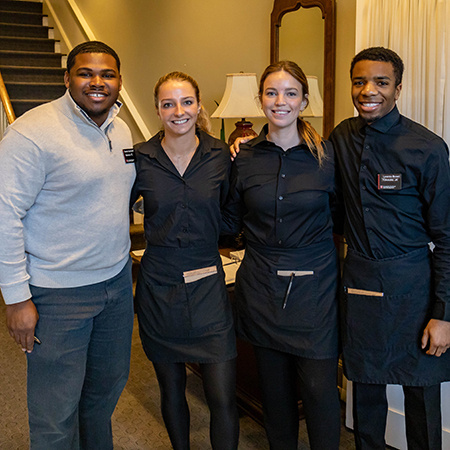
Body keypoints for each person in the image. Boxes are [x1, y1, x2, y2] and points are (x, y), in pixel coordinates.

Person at [0, 41, 135, 449]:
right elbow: (4, 216)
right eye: (86, 73)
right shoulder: (31, 133)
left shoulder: (121, 126)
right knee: (55, 413)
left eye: (107, 74)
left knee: (103, 395)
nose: (97, 82)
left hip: (115, 284)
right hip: (57, 295)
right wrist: (16, 298)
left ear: (119, 81)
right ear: (67, 78)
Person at [329, 47, 450, 449]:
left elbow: (448, 237)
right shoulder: (341, 137)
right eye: (360, 81)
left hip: (413, 287)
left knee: (421, 394)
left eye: (381, 82)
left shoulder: (428, 148)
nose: (369, 91)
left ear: (398, 88)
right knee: (365, 393)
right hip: (361, 283)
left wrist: (443, 315)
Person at [223, 61, 342, 450]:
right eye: (272, 92)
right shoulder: (243, 158)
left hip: (316, 293)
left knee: (321, 394)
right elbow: (230, 222)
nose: (280, 101)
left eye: (291, 93)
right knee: (274, 399)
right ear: (261, 100)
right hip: (262, 290)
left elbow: (341, 218)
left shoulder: (328, 158)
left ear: (304, 101)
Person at [131, 72, 239, 450]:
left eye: (187, 102)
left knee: (223, 396)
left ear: (198, 105)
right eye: (168, 104)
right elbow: (111, 210)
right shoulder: (140, 158)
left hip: (208, 286)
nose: (179, 111)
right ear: (157, 110)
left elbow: (232, 215)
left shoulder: (221, 155)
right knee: (172, 390)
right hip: (159, 288)